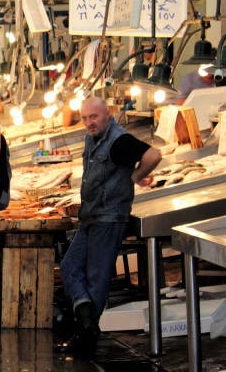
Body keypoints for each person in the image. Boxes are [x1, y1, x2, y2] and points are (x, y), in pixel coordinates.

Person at [58, 97, 161, 357]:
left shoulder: (119, 140)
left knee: (97, 278)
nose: (89, 122)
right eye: (84, 118)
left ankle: (85, 338)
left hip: (109, 218)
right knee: (70, 265)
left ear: (107, 115)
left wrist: (136, 176)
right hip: (90, 216)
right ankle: (87, 323)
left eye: (94, 116)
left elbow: (153, 155)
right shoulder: (91, 139)